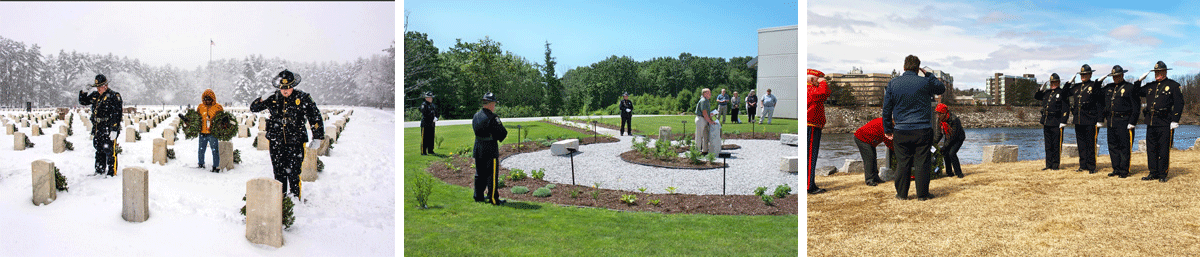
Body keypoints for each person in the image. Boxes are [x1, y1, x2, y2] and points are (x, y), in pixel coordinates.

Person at [249, 69, 325, 199]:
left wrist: (317, 136)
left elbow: (314, 116)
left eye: (288, 88)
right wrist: (262, 99)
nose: (285, 91)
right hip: (276, 140)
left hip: (295, 140)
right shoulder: (273, 97)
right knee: (278, 172)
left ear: (293, 86)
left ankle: (296, 198)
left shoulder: (302, 97)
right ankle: (281, 198)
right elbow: (253, 108)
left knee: (294, 172)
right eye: (283, 88)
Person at [882, 55, 945, 201]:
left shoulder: (893, 83)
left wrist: (887, 129)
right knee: (922, 162)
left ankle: (902, 194)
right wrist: (929, 74)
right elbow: (941, 89)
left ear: (904, 67)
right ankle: (922, 195)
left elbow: (886, 109)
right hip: (922, 129)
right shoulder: (925, 82)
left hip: (901, 129)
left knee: (902, 162)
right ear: (918, 68)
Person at [1136, 61, 1183, 182]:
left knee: (1163, 149)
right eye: (1156, 72)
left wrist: (1175, 120)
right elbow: (1135, 92)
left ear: (1165, 72)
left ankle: (1163, 174)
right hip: (1151, 121)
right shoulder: (1150, 86)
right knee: (1151, 149)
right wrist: (1138, 81)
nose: (1157, 74)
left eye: (1160, 72)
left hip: (1165, 121)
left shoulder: (1173, 85)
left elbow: (1179, 103)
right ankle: (1153, 172)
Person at [77, 74, 123, 176]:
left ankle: (112, 172)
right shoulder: (95, 95)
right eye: (97, 87)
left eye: (100, 87)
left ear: (106, 85)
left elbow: (117, 113)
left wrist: (114, 129)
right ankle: (99, 170)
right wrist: (83, 91)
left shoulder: (114, 96)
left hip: (108, 127)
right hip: (98, 127)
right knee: (99, 149)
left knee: (110, 150)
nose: (98, 89)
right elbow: (83, 101)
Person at [1062, 64, 1104, 173]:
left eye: (1085, 74)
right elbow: (1064, 94)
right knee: (1081, 144)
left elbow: (1099, 103)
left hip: (1091, 119)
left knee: (1091, 144)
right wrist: (1068, 83)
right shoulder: (1076, 87)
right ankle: (1083, 165)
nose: (1083, 76)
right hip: (1078, 119)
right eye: (1082, 74)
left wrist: (1100, 119)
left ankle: (1091, 166)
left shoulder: (1093, 86)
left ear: (1090, 74)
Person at [1102, 65, 1140, 178]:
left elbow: (1136, 106)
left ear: (1122, 75)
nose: (1115, 78)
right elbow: (1096, 94)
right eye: (1113, 76)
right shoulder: (1109, 87)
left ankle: (1124, 170)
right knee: (1113, 147)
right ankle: (1116, 169)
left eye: (1117, 76)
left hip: (1124, 121)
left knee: (1124, 147)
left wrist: (1132, 122)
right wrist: (1099, 81)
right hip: (1112, 121)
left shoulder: (1129, 87)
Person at [472, 92, 509, 205]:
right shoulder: (493, 117)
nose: (494, 106)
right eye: (493, 103)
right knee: (492, 175)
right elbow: (502, 133)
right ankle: (493, 198)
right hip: (490, 149)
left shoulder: (476, 115)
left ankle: (478, 196)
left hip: (478, 147)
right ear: (490, 104)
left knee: (479, 174)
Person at [1033, 73, 1070, 170]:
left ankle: (1055, 165)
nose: (1053, 84)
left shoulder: (1062, 93)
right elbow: (1037, 97)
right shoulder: (1047, 92)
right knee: (1048, 145)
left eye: (1055, 82)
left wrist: (1063, 121)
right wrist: (1040, 89)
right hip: (1047, 121)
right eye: (1051, 82)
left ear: (1058, 82)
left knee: (1056, 145)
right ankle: (1048, 164)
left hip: (1057, 121)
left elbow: (1066, 107)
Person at [807, 69, 831, 194]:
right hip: (810, 126)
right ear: (812, 80)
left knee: (811, 156)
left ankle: (810, 183)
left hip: (813, 126)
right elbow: (823, 92)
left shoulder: (810, 89)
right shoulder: (810, 89)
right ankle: (809, 186)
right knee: (811, 157)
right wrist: (823, 83)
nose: (820, 82)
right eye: (818, 79)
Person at [854, 117, 894, 186]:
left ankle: (875, 177)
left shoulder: (886, 122)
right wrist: (896, 150)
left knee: (873, 157)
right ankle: (869, 180)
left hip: (870, 140)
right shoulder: (885, 126)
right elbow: (888, 141)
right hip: (862, 138)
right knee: (869, 159)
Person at [933, 103, 964, 178]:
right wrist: (933, 143)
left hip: (958, 138)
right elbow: (939, 134)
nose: (937, 116)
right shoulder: (939, 120)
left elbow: (952, 137)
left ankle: (959, 173)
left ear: (944, 113)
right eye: (937, 114)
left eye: (939, 114)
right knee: (945, 153)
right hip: (948, 136)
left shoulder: (954, 119)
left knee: (952, 153)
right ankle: (949, 173)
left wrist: (944, 147)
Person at [196, 89, 224, 172]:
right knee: (201, 150)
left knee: (215, 150)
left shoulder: (217, 107)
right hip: (202, 132)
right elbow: (196, 117)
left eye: (209, 99)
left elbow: (222, 118)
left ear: (212, 99)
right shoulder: (200, 107)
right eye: (205, 99)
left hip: (212, 133)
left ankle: (216, 166)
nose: (207, 101)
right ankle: (201, 163)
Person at [694, 88, 716, 154]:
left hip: (704, 119)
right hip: (701, 119)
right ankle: (697, 151)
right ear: (704, 94)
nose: (710, 94)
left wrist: (711, 119)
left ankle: (705, 150)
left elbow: (707, 113)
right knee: (699, 136)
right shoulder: (703, 101)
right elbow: (704, 112)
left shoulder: (706, 101)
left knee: (705, 135)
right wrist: (710, 121)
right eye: (709, 93)